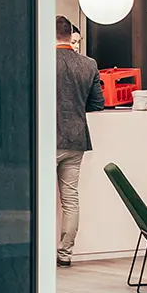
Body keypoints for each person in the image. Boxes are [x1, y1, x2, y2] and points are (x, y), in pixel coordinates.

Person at [55, 15, 105, 268]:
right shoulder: (89, 64)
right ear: (69, 35)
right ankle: (65, 253)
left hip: (48, 139)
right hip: (76, 139)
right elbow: (98, 103)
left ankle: (37, 252)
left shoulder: (42, 61)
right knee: (70, 199)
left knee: (38, 196)